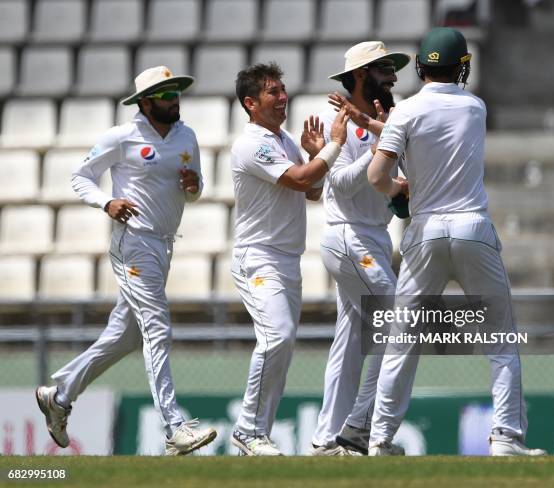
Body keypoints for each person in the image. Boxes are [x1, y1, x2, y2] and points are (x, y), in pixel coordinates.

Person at [366, 27, 547, 456]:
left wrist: (399, 190)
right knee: (501, 342)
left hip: (424, 232)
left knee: (401, 342)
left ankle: (379, 439)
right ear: (460, 66)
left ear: (422, 67)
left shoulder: (404, 113)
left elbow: (377, 177)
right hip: (471, 229)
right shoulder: (475, 107)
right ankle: (505, 438)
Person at [35, 66, 217, 456]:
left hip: (164, 245)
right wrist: (107, 201)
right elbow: (81, 176)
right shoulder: (121, 137)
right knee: (156, 327)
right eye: (166, 95)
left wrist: (193, 186)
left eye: (176, 92)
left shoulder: (187, 136)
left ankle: (60, 396)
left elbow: (196, 189)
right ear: (146, 102)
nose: (174, 100)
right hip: (132, 243)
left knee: (125, 337)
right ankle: (174, 426)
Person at [229, 62, 350, 456]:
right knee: (276, 336)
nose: (282, 97)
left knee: (282, 344)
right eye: (271, 92)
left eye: (282, 89)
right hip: (258, 258)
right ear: (250, 103)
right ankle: (247, 430)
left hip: (286, 259)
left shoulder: (281, 139)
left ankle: (257, 434)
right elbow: (300, 179)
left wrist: (315, 155)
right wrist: (333, 146)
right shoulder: (255, 142)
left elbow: (308, 191)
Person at [309, 41, 410, 456]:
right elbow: (340, 184)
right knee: (397, 320)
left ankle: (325, 439)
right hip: (349, 234)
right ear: (357, 77)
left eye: (391, 66)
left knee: (350, 340)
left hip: (373, 237)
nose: (392, 74)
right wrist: (372, 155)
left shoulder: (384, 118)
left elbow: (398, 178)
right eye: (382, 67)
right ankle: (359, 426)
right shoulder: (345, 124)